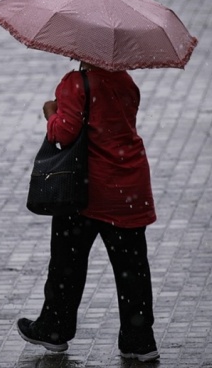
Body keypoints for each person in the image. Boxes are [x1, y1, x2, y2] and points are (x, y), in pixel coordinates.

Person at [17, 61, 159, 362]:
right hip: (129, 188)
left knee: (66, 264)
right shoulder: (125, 82)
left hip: (86, 192)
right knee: (132, 268)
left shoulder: (77, 83)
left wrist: (51, 113)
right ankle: (140, 340)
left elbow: (64, 134)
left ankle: (54, 328)